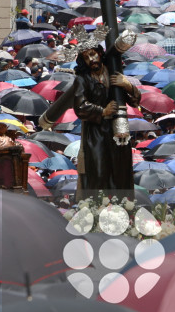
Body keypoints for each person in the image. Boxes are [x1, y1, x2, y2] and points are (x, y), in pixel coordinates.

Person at [39, 27, 141, 197]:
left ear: (100, 53)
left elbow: (135, 101)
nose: (91, 59)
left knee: (120, 169)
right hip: (96, 133)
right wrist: (103, 111)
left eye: (93, 54)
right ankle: (95, 206)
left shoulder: (114, 71)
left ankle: (123, 205)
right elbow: (80, 106)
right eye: (86, 57)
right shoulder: (82, 79)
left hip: (117, 129)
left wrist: (128, 85)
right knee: (98, 170)